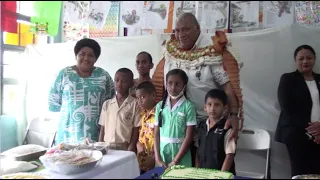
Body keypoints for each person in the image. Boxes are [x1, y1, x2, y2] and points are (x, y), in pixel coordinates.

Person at [151, 12, 243, 166]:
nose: (181, 35)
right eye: (178, 30)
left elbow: (228, 86)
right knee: (176, 168)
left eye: (186, 29)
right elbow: (163, 87)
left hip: (207, 124)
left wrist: (234, 114)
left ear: (197, 28)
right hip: (176, 125)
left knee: (209, 165)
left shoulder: (211, 51)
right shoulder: (171, 51)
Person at [48, 38, 115, 144]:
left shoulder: (104, 76)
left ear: (96, 59)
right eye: (82, 54)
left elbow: (111, 104)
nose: (86, 58)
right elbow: (54, 104)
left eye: (90, 55)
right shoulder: (64, 74)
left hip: (97, 135)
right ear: (76, 56)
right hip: (67, 135)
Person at [275, 45, 320, 176]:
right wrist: (313, 130)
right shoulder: (288, 79)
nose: (305, 61)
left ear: (314, 59)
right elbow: (286, 107)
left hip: (319, 134)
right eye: (301, 58)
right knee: (300, 172)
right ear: (296, 61)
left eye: (309, 58)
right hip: (296, 134)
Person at [154, 69, 196, 168]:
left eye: (177, 84)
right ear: (166, 84)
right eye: (170, 83)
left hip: (181, 155)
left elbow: (189, 136)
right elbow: (156, 133)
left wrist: (175, 160)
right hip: (162, 154)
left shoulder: (188, 106)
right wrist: (158, 158)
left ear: (184, 86)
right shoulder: (160, 106)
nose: (173, 87)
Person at [99, 68, 141, 152]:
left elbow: (136, 128)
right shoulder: (107, 104)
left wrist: (132, 145)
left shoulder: (135, 104)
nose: (119, 84)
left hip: (125, 146)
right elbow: (103, 127)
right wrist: (100, 144)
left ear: (131, 84)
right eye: (116, 80)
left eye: (124, 81)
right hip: (107, 145)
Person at [196, 89, 236, 175]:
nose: (212, 108)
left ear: (224, 108)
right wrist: (197, 172)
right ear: (205, 107)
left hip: (222, 175)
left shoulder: (227, 128)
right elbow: (198, 152)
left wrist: (221, 176)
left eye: (217, 105)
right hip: (204, 174)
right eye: (209, 104)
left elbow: (230, 156)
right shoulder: (201, 127)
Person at [135, 81, 157, 173]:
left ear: (153, 95)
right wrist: (140, 148)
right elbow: (140, 138)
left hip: (154, 159)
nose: (139, 101)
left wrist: (153, 157)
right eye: (137, 98)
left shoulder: (158, 114)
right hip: (143, 159)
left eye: (143, 97)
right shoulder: (143, 115)